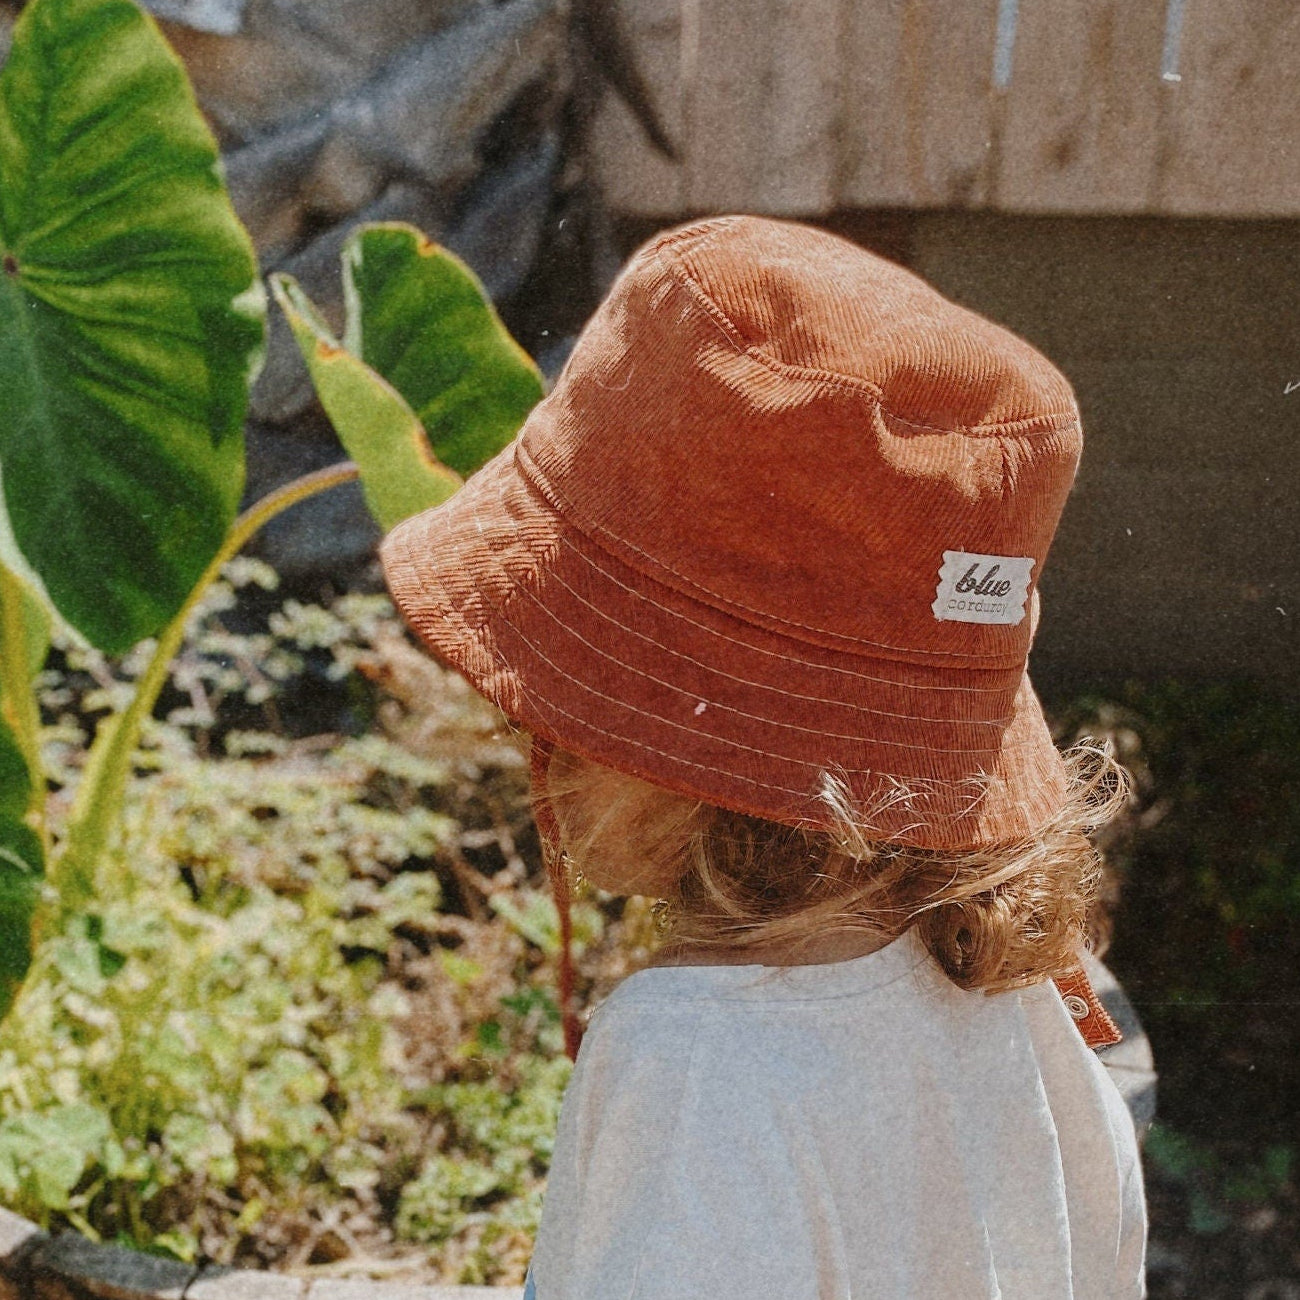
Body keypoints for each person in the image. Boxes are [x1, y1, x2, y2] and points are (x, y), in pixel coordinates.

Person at [379, 215, 1148, 1299]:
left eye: (556, 695)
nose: (528, 732)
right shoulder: (1030, 1014)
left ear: (668, 745)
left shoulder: (693, 1063)